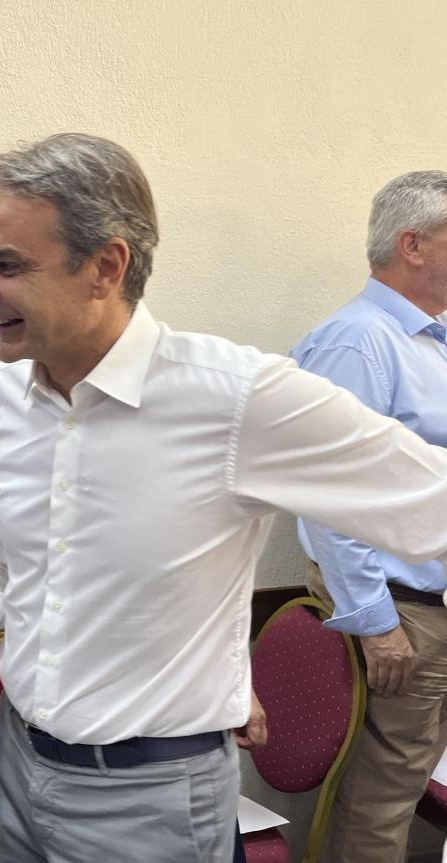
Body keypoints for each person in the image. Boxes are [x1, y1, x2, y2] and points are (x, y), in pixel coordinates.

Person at [0, 133, 447, 863]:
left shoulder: (235, 399)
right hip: (22, 768)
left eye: (7, 265)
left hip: (150, 796)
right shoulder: (6, 398)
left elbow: (431, 505)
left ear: (106, 266)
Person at [291, 170, 447, 863]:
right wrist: (376, 623)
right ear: (413, 245)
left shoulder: (430, 339)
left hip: (427, 601)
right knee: (383, 799)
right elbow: (329, 495)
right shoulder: (358, 342)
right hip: (402, 609)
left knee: (405, 783)